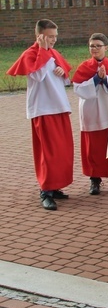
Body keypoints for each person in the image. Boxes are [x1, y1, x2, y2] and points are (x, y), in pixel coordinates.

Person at [7, 19, 74, 211]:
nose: (53, 40)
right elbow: (36, 75)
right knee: (47, 152)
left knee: (62, 151)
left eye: (55, 37)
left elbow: (66, 81)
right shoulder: (31, 54)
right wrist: (43, 53)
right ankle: (45, 190)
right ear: (40, 36)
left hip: (59, 106)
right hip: (43, 109)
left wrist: (63, 73)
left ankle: (55, 186)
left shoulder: (53, 54)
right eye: (50, 37)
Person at [72, 33, 108, 196]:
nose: (95, 49)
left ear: (106, 47)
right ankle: (95, 181)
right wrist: (96, 79)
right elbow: (78, 89)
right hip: (92, 113)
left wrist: (105, 80)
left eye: (98, 45)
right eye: (92, 46)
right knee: (93, 150)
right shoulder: (84, 67)